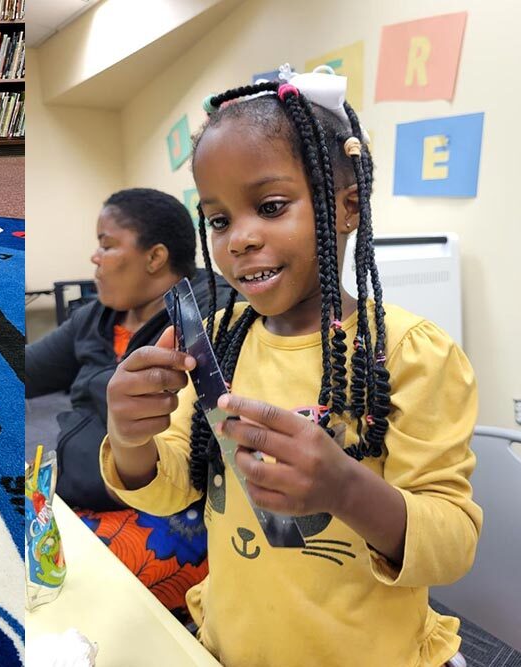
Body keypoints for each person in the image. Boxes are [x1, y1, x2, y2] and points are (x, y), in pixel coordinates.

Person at [102, 72, 479, 666]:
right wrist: (129, 437)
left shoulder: (408, 352)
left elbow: (453, 544)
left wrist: (345, 488)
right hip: (234, 645)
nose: (240, 240)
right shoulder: (220, 342)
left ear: (347, 206)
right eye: (219, 220)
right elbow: (173, 486)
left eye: (271, 207)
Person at [25, 187, 233, 616]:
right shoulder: (96, 318)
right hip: (68, 492)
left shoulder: (212, 319)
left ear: (155, 258)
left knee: (60, 602)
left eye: (106, 244)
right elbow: (25, 368)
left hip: (159, 507)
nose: (94, 258)